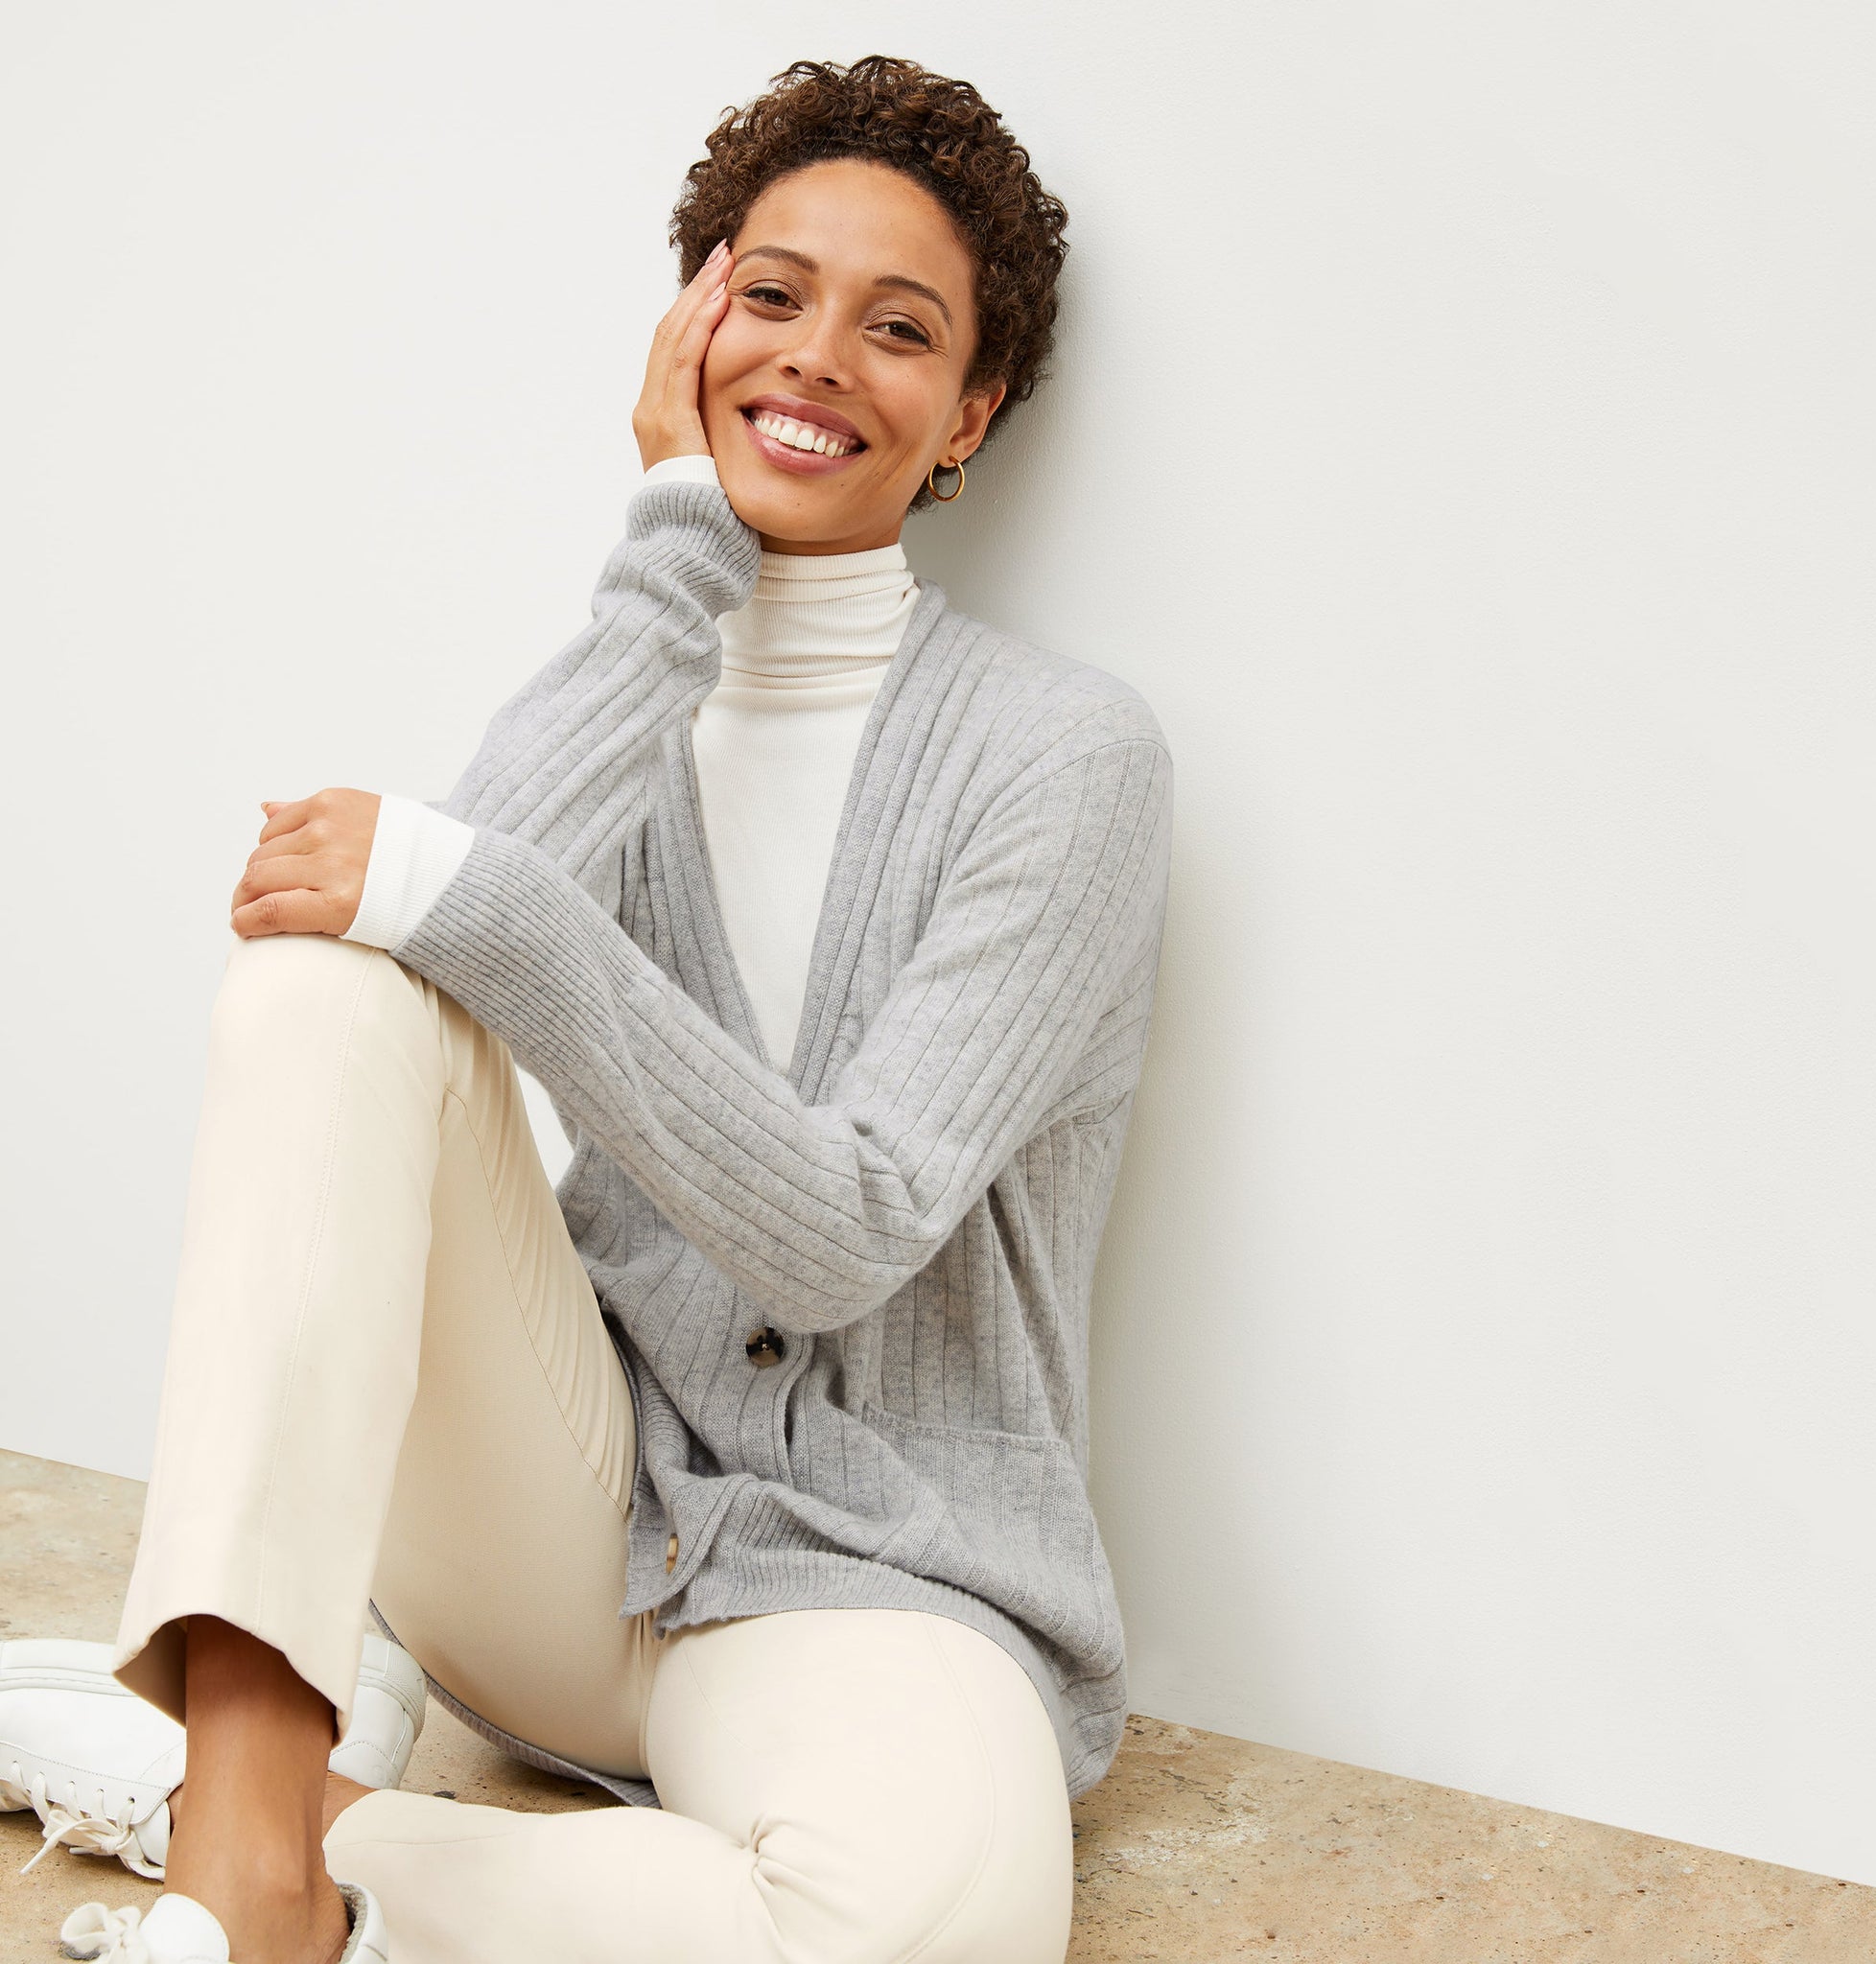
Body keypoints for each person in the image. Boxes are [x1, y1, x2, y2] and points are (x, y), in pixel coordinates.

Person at [0, 53, 1175, 1964]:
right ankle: (244, 1854)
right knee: (330, 981)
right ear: (688, 316)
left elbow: (852, 1225)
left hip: (880, 1579)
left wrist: (479, 900)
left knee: (930, 1927)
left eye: (899, 330)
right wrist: (667, 543)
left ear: (966, 414)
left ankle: (271, 1820)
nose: (813, 359)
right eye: (769, 294)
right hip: (561, 1528)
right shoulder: (631, 682)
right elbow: (411, 977)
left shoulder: (1068, 760)